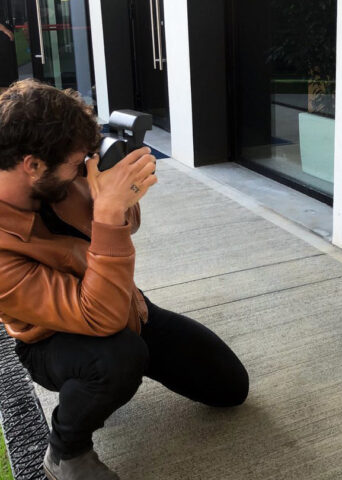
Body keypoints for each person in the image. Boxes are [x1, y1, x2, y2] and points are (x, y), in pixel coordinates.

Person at [0, 79, 249, 480]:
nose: (85, 167)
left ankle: (108, 384)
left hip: (124, 305)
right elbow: (98, 317)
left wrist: (117, 200)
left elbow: (124, 227)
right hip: (51, 340)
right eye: (77, 161)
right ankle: (66, 451)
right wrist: (106, 213)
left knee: (230, 387)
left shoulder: (61, 176)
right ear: (32, 164)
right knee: (118, 357)